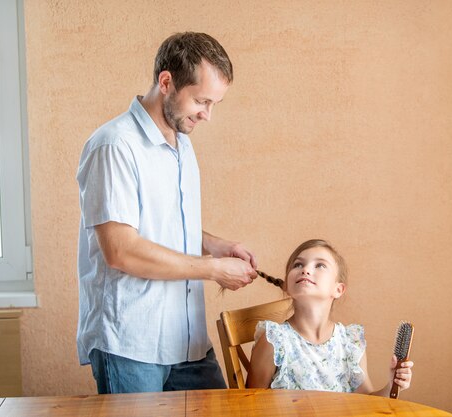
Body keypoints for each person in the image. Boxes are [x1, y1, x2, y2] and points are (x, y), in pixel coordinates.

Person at [76, 32, 258, 394]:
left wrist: (215, 246)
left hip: (188, 341)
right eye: (201, 101)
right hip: (130, 346)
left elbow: (163, 223)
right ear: (166, 82)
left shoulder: (182, 144)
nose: (207, 115)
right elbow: (121, 250)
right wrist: (213, 269)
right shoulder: (114, 146)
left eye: (214, 103)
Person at [247, 239, 413, 395]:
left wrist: (391, 385)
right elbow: (251, 407)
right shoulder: (274, 341)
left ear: (338, 289)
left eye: (320, 265)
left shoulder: (350, 343)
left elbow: (368, 403)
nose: (306, 269)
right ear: (287, 285)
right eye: (298, 264)